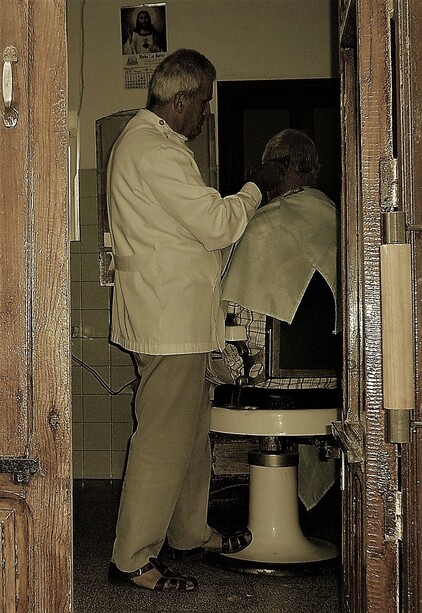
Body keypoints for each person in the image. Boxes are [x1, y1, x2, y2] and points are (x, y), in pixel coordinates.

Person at [106, 48, 280, 593]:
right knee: (162, 437)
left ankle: (187, 531)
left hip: (172, 313)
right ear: (180, 99)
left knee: (188, 432)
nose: (205, 113)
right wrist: (255, 188)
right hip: (168, 319)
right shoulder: (154, 149)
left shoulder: (153, 144)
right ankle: (132, 558)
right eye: (202, 102)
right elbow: (215, 224)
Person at [208, 129, 340, 510]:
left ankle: (192, 516)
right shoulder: (344, 224)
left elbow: (235, 319)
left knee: (191, 369)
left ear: (275, 170)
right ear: (312, 171)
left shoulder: (261, 225)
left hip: (265, 379)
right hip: (336, 379)